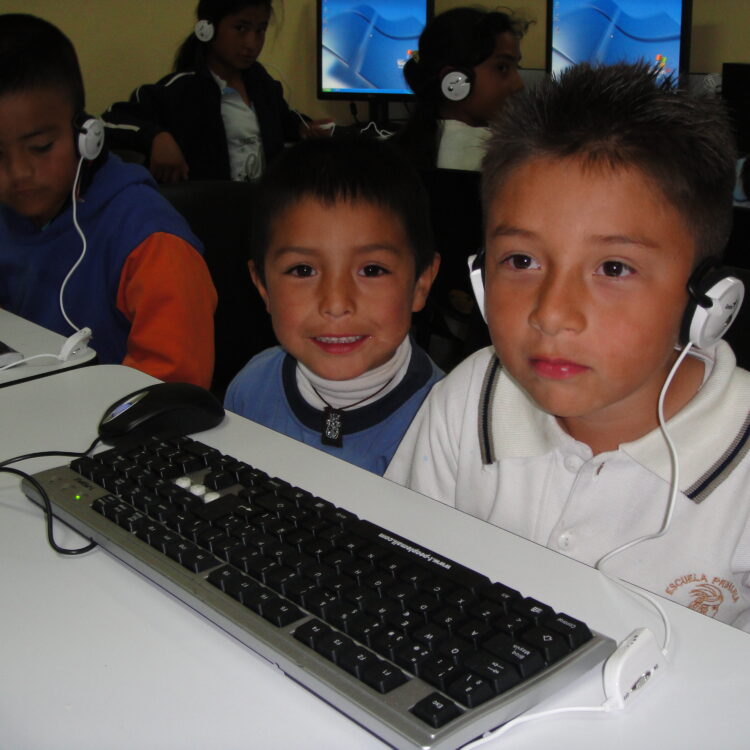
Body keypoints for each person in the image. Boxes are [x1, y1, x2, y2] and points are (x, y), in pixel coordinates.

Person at [386, 62, 750, 630]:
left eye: (613, 267)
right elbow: (403, 567)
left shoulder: (741, 460)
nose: (551, 313)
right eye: (522, 261)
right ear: (481, 278)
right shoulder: (467, 399)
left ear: (708, 300)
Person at [0, 14, 217, 388]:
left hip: (113, 432)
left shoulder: (153, 243)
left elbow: (172, 393)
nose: (19, 172)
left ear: (87, 134)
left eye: (40, 147)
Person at [224, 137, 442, 475]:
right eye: (303, 270)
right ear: (263, 287)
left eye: (372, 270)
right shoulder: (249, 389)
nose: (336, 304)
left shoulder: (445, 427)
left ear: (421, 283)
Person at [103, 0, 332, 184]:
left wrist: (303, 128)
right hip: (209, 217)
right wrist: (156, 137)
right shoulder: (179, 90)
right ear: (207, 29)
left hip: (260, 212)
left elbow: (282, 120)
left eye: (260, 30)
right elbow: (108, 122)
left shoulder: (263, 87)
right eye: (240, 28)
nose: (252, 43)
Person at [391, 7, 528, 172]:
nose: (519, 85)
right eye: (502, 68)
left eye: (516, 67)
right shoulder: (496, 162)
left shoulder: (400, 147)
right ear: (455, 81)